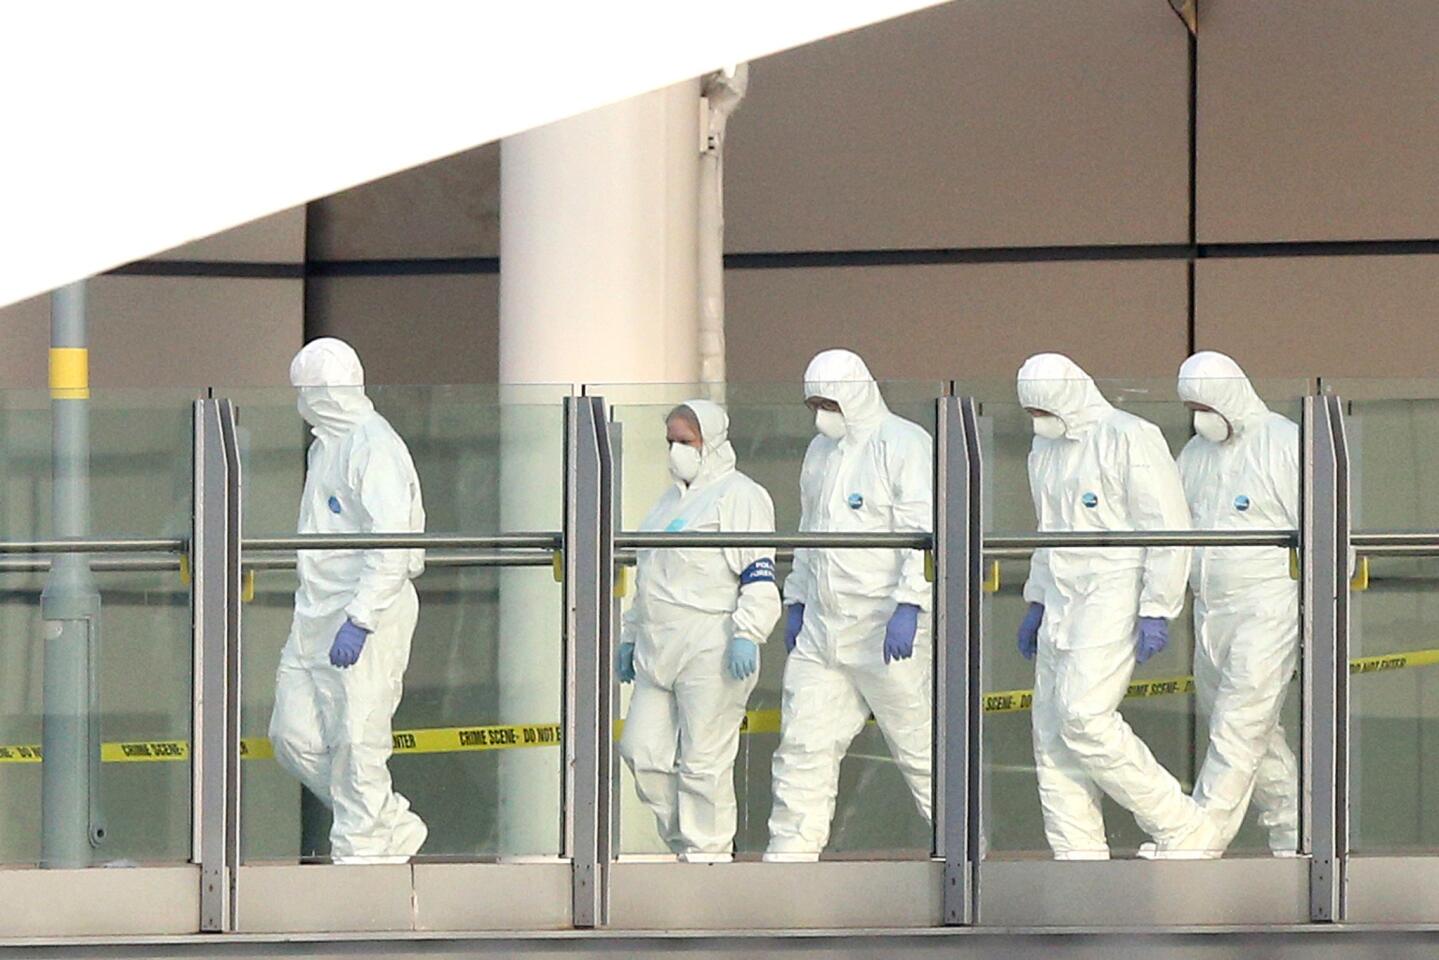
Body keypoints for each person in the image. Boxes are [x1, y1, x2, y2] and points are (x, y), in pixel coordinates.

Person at [1016, 352, 1219, 859]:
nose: (1038, 420)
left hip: (1114, 587)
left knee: (1083, 716)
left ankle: (1181, 826)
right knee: (1050, 728)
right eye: (1031, 411)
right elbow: (1047, 533)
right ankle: (1077, 854)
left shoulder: (1128, 436)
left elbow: (1169, 527)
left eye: (1044, 408)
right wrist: (1037, 599)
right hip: (1063, 592)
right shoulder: (1044, 450)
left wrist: (1157, 605)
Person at [765, 348, 933, 861]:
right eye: (814, 403)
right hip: (823, 626)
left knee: (920, 747)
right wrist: (796, 598)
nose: (821, 414)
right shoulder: (819, 453)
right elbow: (809, 531)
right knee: (803, 743)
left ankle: (969, 851)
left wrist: (911, 604)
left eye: (829, 401)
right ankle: (791, 854)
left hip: (884, 627)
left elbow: (924, 531)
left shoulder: (902, 444)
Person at [268, 337, 428, 863]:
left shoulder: (373, 447)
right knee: (294, 737)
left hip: (367, 614)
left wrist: (360, 618)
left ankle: (359, 856)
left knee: (359, 740)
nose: (303, 401)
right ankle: (388, 822)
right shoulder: (325, 445)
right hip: (315, 612)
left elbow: (393, 543)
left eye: (309, 390)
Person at [616, 400, 781, 862]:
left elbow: (758, 574)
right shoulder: (667, 501)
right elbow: (649, 577)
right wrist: (629, 637)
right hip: (656, 648)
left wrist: (749, 632)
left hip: (712, 646)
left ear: (711, 441)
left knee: (704, 763)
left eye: (684, 442)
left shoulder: (739, 495)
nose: (675, 451)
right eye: (670, 442)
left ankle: (708, 857)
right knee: (641, 751)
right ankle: (685, 843)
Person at [1176, 351, 1300, 856]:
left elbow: (1329, 532)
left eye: (1206, 404)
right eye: (1192, 407)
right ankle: (1295, 836)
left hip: (1266, 605)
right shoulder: (1195, 455)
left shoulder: (1283, 443)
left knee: (1237, 726)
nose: (1200, 416)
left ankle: (1197, 842)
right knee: (1254, 733)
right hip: (1210, 610)